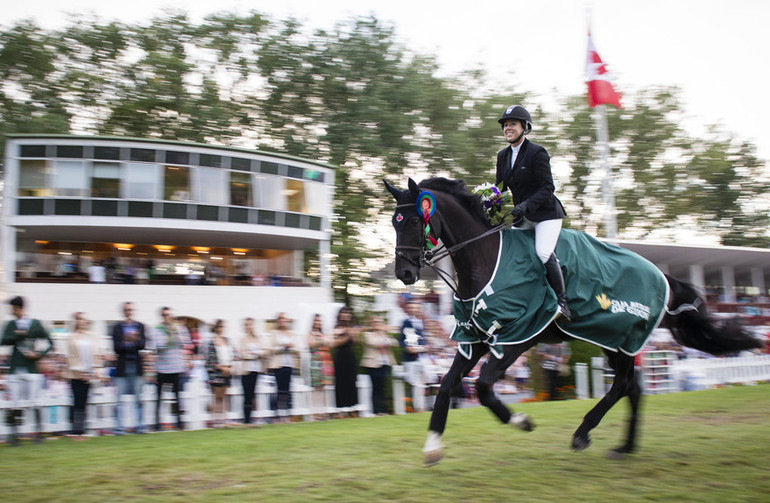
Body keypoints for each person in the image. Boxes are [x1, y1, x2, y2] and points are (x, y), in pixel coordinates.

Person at [495, 104, 571, 321]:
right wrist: (487, 200)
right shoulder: (502, 156)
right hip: (522, 216)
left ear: (524, 127)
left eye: (512, 124)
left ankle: (562, 303)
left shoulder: (537, 152)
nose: (508, 128)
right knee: (510, 255)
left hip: (546, 214)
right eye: (505, 125)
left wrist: (525, 206)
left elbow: (548, 187)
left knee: (543, 252)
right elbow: (499, 188)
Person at [2, 296, 54, 445]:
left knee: (35, 402)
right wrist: (19, 334)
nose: (11, 311)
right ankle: (14, 435)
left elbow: (50, 342)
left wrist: (39, 355)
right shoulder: (11, 324)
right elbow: (3, 340)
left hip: (31, 368)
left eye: (13, 308)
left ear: (19, 308)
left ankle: (39, 435)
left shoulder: (35, 324)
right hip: (16, 368)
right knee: (14, 403)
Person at [64, 312, 103, 440]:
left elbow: (97, 353)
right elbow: (71, 356)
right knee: (77, 403)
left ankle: (82, 431)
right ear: (76, 321)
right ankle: (76, 432)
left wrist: (96, 370)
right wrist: (78, 372)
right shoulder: (71, 337)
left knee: (84, 402)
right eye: (79, 319)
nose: (82, 321)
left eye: (83, 319)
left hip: (88, 374)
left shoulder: (92, 336)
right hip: (76, 374)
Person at [112, 301, 147, 435]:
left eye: (130, 309)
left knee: (138, 398)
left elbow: (142, 344)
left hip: (136, 365)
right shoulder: (117, 328)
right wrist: (128, 341)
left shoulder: (140, 326)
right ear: (123, 312)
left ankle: (139, 426)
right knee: (119, 399)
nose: (129, 312)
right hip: (122, 366)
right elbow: (116, 347)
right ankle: (119, 427)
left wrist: (132, 340)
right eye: (126, 310)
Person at [152, 307, 190, 430]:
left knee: (177, 397)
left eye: (169, 315)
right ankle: (157, 423)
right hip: (162, 368)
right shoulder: (157, 329)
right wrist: (170, 335)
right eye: (164, 315)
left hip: (175, 367)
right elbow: (160, 346)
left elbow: (184, 343)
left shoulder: (177, 328)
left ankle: (179, 422)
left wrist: (176, 333)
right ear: (162, 316)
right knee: (159, 397)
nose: (167, 317)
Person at [266, 313, 300, 423]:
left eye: (284, 319)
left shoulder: (292, 334)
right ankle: (277, 414)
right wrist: (282, 347)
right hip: (278, 365)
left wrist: (290, 346)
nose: (282, 321)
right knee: (279, 390)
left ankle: (288, 414)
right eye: (280, 319)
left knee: (287, 390)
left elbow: (297, 349)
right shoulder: (274, 334)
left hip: (289, 364)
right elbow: (270, 349)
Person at [361, 316, 397, 415]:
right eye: (376, 322)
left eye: (380, 322)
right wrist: (384, 341)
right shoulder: (368, 334)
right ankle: (377, 410)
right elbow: (373, 343)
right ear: (372, 324)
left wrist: (384, 339)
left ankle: (383, 409)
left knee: (383, 387)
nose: (378, 324)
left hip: (385, 364)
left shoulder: (386, 335)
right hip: (372, 365)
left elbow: (394, 343)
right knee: (376, 388)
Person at [398, 300, 428, 412]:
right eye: (411, 308)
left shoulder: (421, 323)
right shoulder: (406, 322)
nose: (413, 310)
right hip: (411, 359)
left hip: (421, 357)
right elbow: (403, 340)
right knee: (415, 383)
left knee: (421, 383)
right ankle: (418, 407)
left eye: (415, 307)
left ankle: (421, 406)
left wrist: (424, 347)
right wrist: (408, 347)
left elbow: (422, 341)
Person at [331, 306, 360, 416]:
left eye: (348, 313)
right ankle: (340, 410)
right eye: (344, 313)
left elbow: (357, 342)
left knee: (351, 382)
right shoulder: (337, 327)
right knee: (340, 382)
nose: (346, 315)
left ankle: (353, 408)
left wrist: (355, 335)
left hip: (350, 356)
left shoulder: (353, 327)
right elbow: (335, 343)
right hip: (340, 356)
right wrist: (348, 335)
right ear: (340, 315)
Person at [206, 319, 233, 428]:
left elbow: (231, 355)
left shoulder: (227, 341)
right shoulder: (212, 342)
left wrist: (229, 367)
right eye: (220, 327)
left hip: (227, 371)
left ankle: (223, 419)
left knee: (224, 396)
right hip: (217, 372)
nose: (222, 329)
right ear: (216, 328)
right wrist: (222, 368)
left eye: (223, 327)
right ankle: (214, 420)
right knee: (217, 396)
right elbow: (211, 361)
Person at [306, 314, 333, 420]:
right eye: (316, 320)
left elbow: (330, 343)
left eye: (320, 320)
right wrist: (323, 342)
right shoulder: (310, 334)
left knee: (323, 387)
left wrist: (321, 341)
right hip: (316, 361)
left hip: (326, 361)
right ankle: (315, 411)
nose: (318, 322)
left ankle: (323, 410)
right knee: (316, 386)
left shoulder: (324, 334)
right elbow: (311, 343)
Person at [239, 317, 265, 425]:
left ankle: (252, 418)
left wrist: (256, 353)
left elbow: (264, 352)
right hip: (246, 370)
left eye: (250, 324)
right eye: (246, 325)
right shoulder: (243, 339)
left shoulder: (258, 339)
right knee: (247, 394)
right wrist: (253, 355)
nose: (248, 327)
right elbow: (242, 354)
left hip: (256, 370)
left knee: (253, 394)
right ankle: (246, 419)